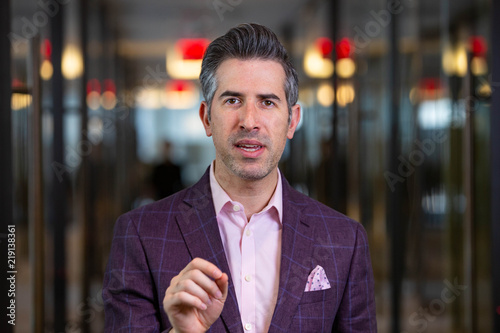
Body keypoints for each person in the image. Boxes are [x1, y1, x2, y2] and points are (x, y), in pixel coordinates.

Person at [103, 23, 377, 333]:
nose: (249, 121)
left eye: (267, 102)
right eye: (233, 100)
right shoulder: (139, 234)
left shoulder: (345, 239)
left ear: (292, 121)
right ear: (207, 118)